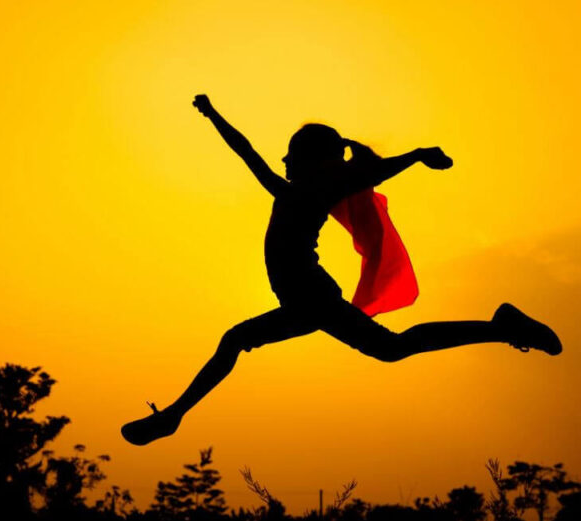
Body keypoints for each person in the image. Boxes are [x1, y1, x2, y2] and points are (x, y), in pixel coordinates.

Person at [120, 94, 561, 446]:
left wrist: (418, 155)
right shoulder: (286, 191)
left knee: (244, 340)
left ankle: (174, 416)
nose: (283, 162)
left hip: (311, 298)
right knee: (390, 348)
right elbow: (245, 150)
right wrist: (213, 115)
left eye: (290, 156)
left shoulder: (314, 190)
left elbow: (374, 172)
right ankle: (501, 327)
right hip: (305, 300)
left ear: (312, 162)